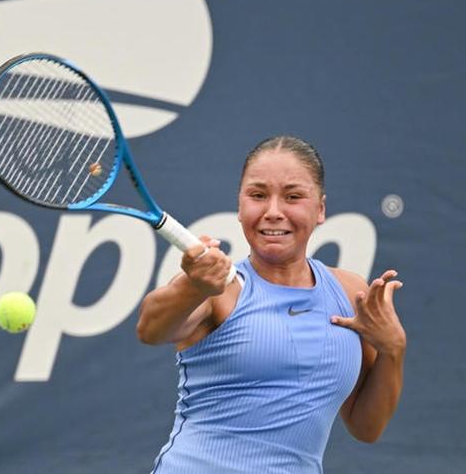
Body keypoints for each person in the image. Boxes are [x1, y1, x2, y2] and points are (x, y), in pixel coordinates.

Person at [137, 135, 406, 474]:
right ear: (240, 206)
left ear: (320, 209)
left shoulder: (349, 291)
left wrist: (393, 350)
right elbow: (150, 329)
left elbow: (367, 427)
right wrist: (194, 286)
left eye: (292, 197)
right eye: (258, 195)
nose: (273, 212)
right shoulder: (219, 288)